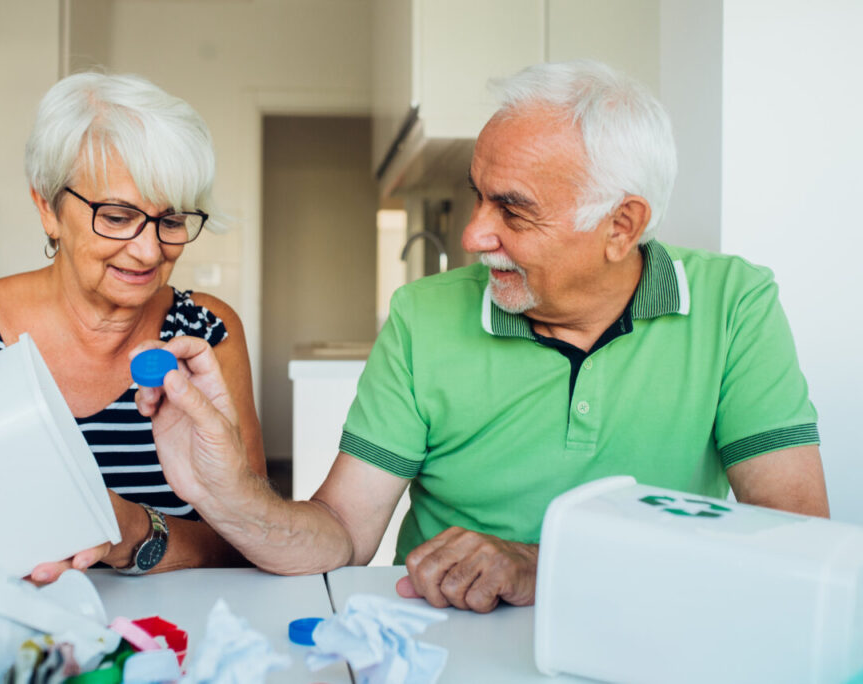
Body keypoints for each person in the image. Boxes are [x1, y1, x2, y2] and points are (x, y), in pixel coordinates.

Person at [133, 59, 828, 613]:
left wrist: (546, 565)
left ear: (621, 226)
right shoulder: (422, 317)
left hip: (642, 632)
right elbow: (342, 533)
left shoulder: (735, 304)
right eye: (478, 194)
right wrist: (224, 492)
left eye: (513, 211)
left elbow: (796, 543)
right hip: (445, 638)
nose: (473, 234)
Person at [0, 72, 266, 583]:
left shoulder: (206, 334)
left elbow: (257, 537)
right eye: (116, 215)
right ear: (48, 207)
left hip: (164, 641)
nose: (150, 250)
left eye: (171, 221)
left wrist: (131, 531)